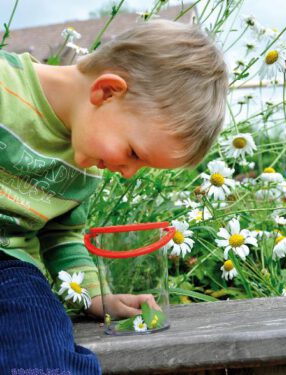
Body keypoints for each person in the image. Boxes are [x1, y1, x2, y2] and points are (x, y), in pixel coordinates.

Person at [0, 19, 228, 374]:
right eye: (135, 153)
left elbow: (61, 235)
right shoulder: (4, 87)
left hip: (9, 270)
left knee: (43, 350)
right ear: (106, 92)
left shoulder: (85, 168)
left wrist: (93, 295)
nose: (127, 171)